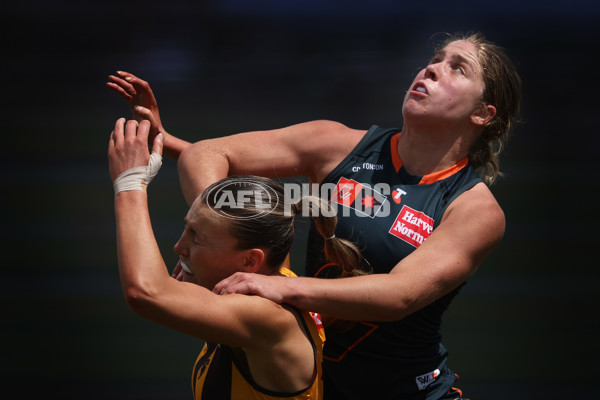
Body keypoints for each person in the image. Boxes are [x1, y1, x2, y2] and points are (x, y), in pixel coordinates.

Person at [107, 31, 521, 399]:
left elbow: (400, 295)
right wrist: (221, 235)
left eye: (457, 68)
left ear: (484, 114)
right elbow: (208, 154)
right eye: (434, 60)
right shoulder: (337, 144)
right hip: (316, 381)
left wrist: (282, 289)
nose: (431, 70)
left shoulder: (474, 208)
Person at [108, 118, 366, 399]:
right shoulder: (271, 268)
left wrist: (129, 184)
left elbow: (145, 293)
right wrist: (162, 140)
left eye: (196, 237)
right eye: (186, 228)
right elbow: (206, 178)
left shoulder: (267, 317)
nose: (179, 247)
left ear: (250, 262)